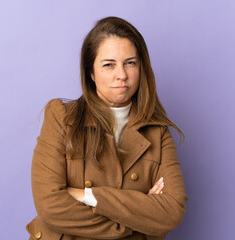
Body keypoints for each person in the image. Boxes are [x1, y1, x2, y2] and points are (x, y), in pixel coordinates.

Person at [26, 16, 188, 240]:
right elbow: (50, 206)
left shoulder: (158, 130)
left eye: (130, 63)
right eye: (108, 65)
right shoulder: (60, 117)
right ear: (91, 72)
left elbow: (171, 212)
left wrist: (88, 196)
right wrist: (136, 220)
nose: (121, 75)